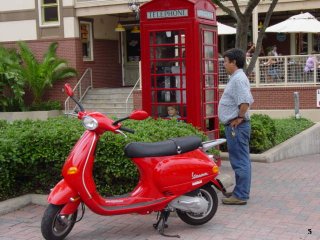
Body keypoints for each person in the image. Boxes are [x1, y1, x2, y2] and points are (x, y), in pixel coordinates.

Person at [218, 48, 254, 205]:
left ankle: (240, 195)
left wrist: (239, 117)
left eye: (226, 61)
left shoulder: (238, 79)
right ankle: (241, 191)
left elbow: (245, 101)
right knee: (240, 160)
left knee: (240, 161)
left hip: (237, 127)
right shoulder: (236, 77)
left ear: (234, 62)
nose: (224, 64)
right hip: (235, 126)